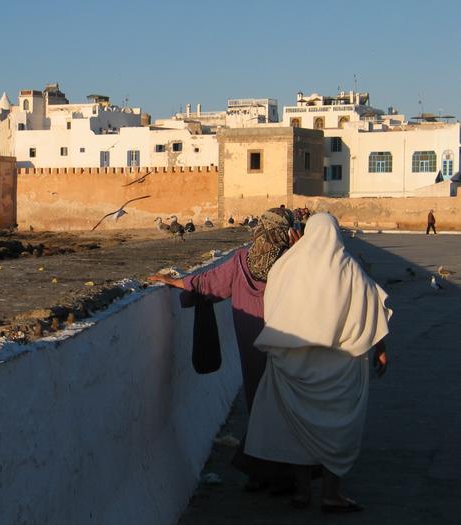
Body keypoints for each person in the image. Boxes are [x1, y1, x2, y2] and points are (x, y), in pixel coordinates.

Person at [244, 213, 391, 513]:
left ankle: (302, 493)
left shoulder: (287, 265)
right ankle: (331, 494)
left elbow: (272, 305)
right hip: (341, 365)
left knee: (296, 430)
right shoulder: (349, 268)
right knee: (337, 429)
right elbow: (371, 307)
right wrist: (380, 349)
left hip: (294, 363)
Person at [149, 208, 300, 489]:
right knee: (286, 404)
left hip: (252, 344)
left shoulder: (242, 261)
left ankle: (261, 472)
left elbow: (207, 284)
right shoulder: (294, 261)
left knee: (259, 402)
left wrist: (172, 281)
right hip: (287, 344)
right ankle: (289, 473)